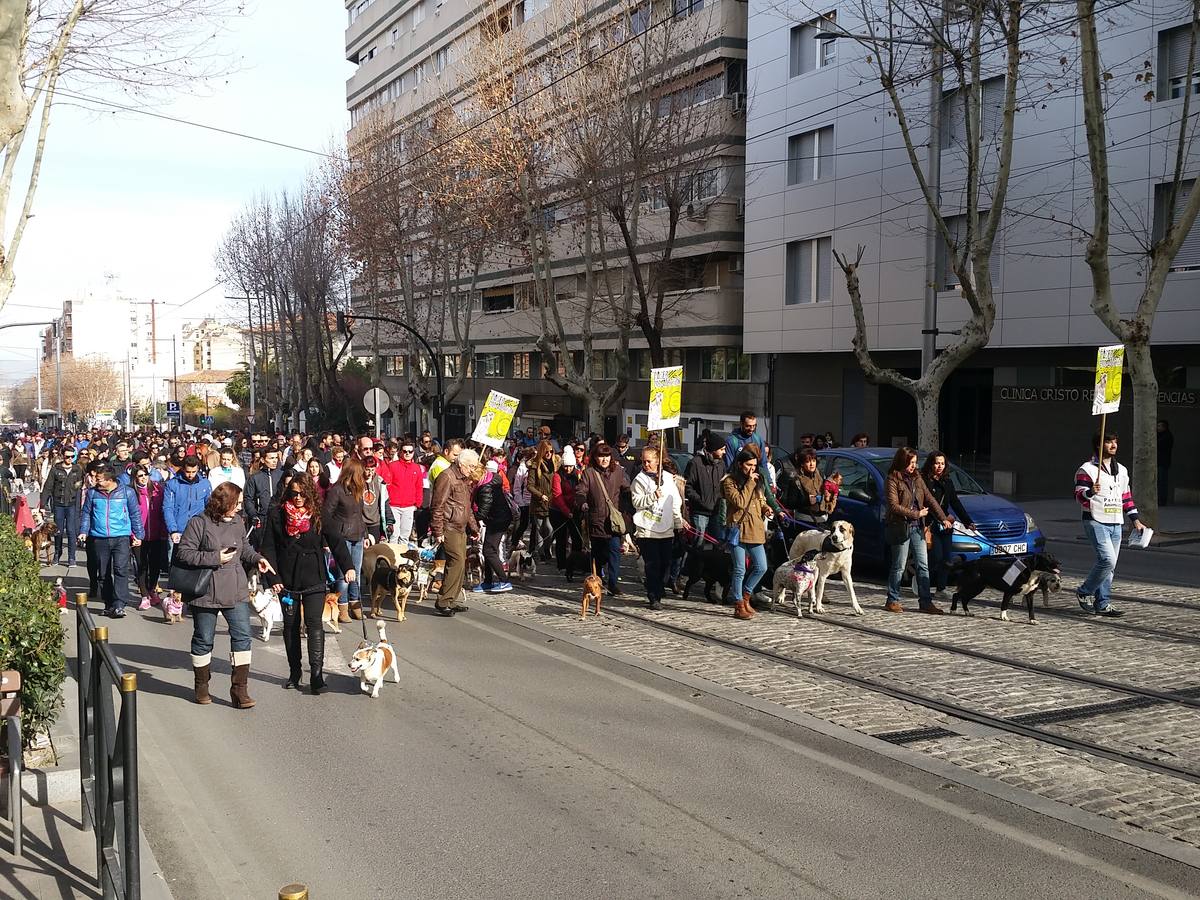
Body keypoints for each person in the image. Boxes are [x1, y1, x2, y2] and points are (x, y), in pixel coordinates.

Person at [176, 482, 274, 708]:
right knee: (203, 639)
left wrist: (257, 558)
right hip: (206, 591)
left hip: (235, 588)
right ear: (223, 503)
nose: (239, 509)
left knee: (242, 636)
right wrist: (214, 558)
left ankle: (240, 691)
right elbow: (184, 553)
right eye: (236, 504)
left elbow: (245, 547)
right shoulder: (199, 523)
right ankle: (201, 686)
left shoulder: (239, 521)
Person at [260, 473, 354, 694]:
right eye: (294, 493)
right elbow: (268, 548)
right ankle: (294, 672)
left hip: (314, 576)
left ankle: (317, 675)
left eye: (302, 493)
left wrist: (348, 566)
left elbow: (336, 541)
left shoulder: (318, 514)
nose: (298, 497)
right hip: (286, 579)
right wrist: (273, 579)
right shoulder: (277, 513)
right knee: (291, 626)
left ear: (309, 493)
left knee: (314, 624)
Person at [1074, 431, 1144, 617]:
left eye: (1115, 442)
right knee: (1107, 560)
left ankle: (1103, 603)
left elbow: (1126, 497)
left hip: (1116, 522)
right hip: (1095, 520)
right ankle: (1084, 591)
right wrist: (1090, 491)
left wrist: (1135, 520)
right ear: (1099, 445)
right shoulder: (1086, 469)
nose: (1114, 445)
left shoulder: (1121, 470)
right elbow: (1079, 496)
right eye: (1109, 442)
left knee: (1110, 567)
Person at [884, 447, 951, 614]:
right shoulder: (893, 479)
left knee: (923, 565)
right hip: (901, 527)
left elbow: (930, 498)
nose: (914, 466)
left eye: (915, 462)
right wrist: (915, 513)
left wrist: (943, 518)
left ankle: (926, 602)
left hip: (918, 528)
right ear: (902, 462)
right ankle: (892, 599)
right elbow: (893, 506)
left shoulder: (917, 478)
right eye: (910, 463)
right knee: (899, 565)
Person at [79, 466, 144, 618]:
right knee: (103, 573)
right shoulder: (92, 493)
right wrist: (83, 531)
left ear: (110, 480)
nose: (96, 481)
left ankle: (120, 604)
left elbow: (135, 514)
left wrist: (139, 535)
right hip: (99, 537)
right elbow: (86, 513)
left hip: (121, 537)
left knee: (121, 570)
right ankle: (108, 603)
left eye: (99, 479)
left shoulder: (127, 492)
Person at [720, 449, 772, 621]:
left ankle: (746, 595)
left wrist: (766, 508)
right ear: (740, 464)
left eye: (755, 465)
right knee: (740, 569)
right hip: (739, 528)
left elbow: (760, 499)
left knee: (761, 566)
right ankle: (738, 604)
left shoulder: (758, 480)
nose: (752, 469)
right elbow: (740, 502)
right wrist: (750, 482)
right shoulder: (729, 481)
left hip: (755, 528)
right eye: (748, 465)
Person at [631, 447, 683, 610]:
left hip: (666, 528)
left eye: (649, 461)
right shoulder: (639, 479)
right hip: (647, 529)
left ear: (657, 461)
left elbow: (675, 502)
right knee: (652, 564)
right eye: (643, 461)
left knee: (665, 564)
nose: (646, 464)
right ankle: (653, 595)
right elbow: (636, 502)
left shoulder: (668, 478)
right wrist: (653, 496)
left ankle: (658, 586)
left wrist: (678, 522)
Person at [431, 448, 481, 616]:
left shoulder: (463, 480)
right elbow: (438, 505)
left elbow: (467, 507)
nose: (473, 470)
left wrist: (474, 527)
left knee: (460, 564)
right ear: (461, 464)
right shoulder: (447, 476)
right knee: (457, 561)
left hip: (460, 527)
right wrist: (438, 530)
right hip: (449, 526)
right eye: (471, 466)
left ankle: (450, 599)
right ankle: (444, 600)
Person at [575, 443, 629, 595]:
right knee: (598, 555)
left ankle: (613, 583)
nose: (604, 459)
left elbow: (627, 489)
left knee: (614, 552)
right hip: (596, 520)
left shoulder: (618, 471)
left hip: (613, 521)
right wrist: (583, 503)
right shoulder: (589, 473)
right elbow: (580, 491)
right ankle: (597, 579)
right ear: (595, 458)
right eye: (601, 456)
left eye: (607, 456)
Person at [921, 451, 975, 602]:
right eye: (937, 463)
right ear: (931, 464)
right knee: (935, 557)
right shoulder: (925, 481)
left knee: (946, 558)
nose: (939, 466)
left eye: (942, 463)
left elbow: (955, 503)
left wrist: (967, 521)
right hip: (931, 523)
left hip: (946, 524)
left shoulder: (947, 482)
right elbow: (927, 504)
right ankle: (922, 582)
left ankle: (941, 588)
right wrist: (940, 518)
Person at [323, 455, 372, 622]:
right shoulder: (336, 490)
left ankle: (355, 603)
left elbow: (360, 515)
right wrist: (326, 541)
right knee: (344, 573)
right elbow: (326, 515)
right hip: (342, 536)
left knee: (356, 573)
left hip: (357, 534)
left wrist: (365, 534)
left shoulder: (359, 488)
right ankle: (341, 606)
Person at [473, 458, 514, 593]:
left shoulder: (485, 487)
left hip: (498, 519)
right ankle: (488, 582)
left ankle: (504, 581)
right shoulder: (491, 481)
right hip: (497, 518)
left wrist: (471, 517)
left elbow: (482, 512)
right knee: (488, 549)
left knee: (489, 550)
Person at [163, 455, 212, 562]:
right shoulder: (172, 484)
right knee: (176, 563)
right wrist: (173, 529)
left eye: (193, 472)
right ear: (183, 469)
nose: (190, 475)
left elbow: (209, 507)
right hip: (179, 529)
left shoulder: (205, 483)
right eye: (188, 471)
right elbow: (168, 508)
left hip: (198, 530)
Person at [133, 466, 169, 609]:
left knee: (155, 566)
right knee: (142, 566)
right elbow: (129, 514)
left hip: (156, 534)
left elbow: (163, 511)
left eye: (145, 474)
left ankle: (152, 589)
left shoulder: (158, 490)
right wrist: (133, 535)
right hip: (139, 535)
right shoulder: (132, 492)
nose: (143, 477)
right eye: (140, 475)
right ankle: (143, 596)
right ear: (135, 478)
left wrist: (164, 531)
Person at [41, 448, 84, 567]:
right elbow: (48, 487)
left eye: (72, 456)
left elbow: (80, 486)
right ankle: (57, 554)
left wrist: (79, 503)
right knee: (58, 531)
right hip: (58, 504)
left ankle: (72, 557)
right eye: (67, 456)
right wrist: (42, 505)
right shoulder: (56, 469)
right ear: (63, 456)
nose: (70, 459)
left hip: (72, 504)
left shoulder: (77, 469)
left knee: (71, 531)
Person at [684, 432, 726, 545]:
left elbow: (723, 485)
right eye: (722, 449)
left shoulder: (721, 464)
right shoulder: (695, 463)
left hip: (716, 511)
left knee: (717, 543)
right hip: (699, 512)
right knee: (698, 542)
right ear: (713, 449)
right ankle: (693, 562)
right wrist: (700, 500)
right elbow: (687, 486)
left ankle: (712, 562)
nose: (724, 452)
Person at [383, 438, 423, 544]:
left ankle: (401, 560)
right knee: (393, 535)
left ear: (413, 452)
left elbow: (419, 486)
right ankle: (391, 560)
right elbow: (386, 485)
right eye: (405, 451)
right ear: (400, 452)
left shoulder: (416, 468)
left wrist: (417, 504)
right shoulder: (392, 466)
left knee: (405, 536)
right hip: (393, 506)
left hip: (409, 506)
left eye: (410, 451)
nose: (407, 454)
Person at [244, 446, 286, 547]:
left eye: (276, 458)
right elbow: (248, 499)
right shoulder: (255, 478)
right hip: (262, 518)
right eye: (271, 458)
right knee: (262, 547)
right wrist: (254, 514)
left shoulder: (282, 475)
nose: (274, 461)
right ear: (263, 459)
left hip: (280, 517)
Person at [778, 448, 832, 523]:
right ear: (802, 464)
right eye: (808, 461)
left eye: (813, 461)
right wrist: (806, 500)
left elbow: (830, 494)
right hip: (805, 519)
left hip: (823, 518)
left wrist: (830, 494)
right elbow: (790, 503)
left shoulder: (821, 475)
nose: (811, 464)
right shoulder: (796, 479)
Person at [527, 439, 557, 563]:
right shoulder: (535, 466)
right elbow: (530, 486)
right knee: (540, 530)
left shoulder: (555, 464)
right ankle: (540, 554)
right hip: (538, 503)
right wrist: (540, 495)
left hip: (551, 502)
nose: (549, 454)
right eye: (546, 452)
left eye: (551, 451)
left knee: (550, 529)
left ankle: (547, 549)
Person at [724, 412, 769, 480]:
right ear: (741, 424)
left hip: (755, 480)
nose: (751, 429)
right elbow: (729, 466)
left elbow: (763, 464)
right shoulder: (732, 441)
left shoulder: (758, 439)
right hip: (738, 481)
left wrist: (768, 482)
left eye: (754, 425)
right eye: (748, 426)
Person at [1157, 419, 1173, 506]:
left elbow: (1159, 445)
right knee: (1159, 482)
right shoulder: (1160, 435)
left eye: (1160, 426)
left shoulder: (1167, 436)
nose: (1158, 428)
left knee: (1162, 482)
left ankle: (1162, 500)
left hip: (1163, 462)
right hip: (1159, 462)